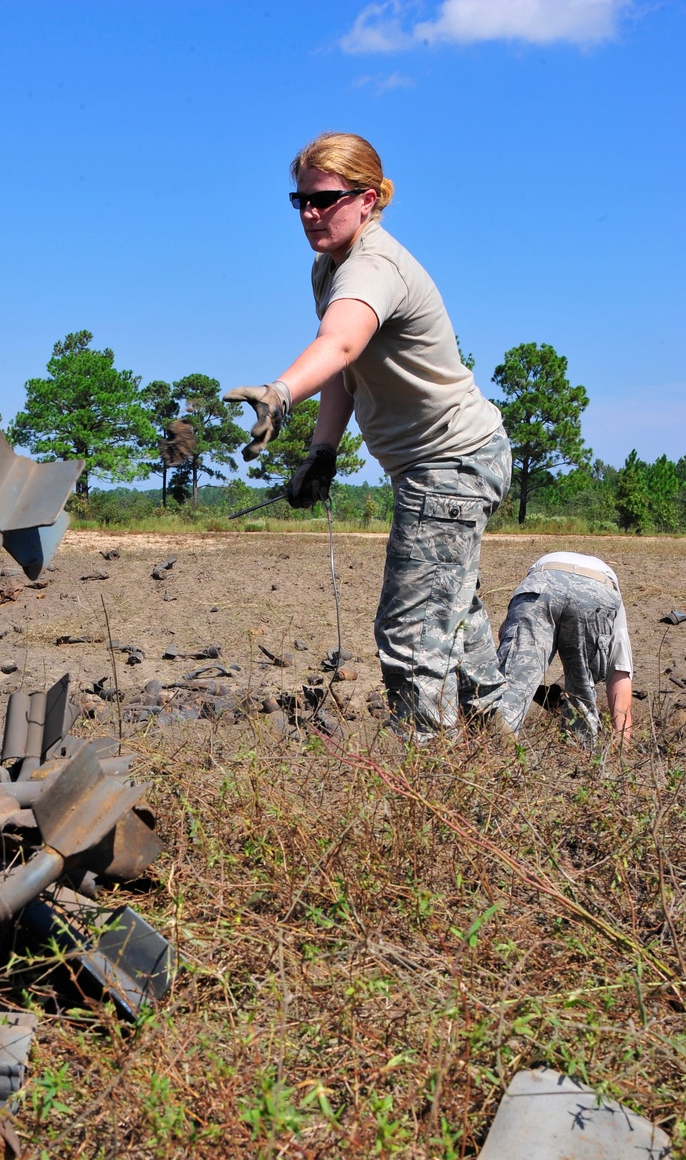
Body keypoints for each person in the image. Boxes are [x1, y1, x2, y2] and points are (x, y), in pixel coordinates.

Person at [226, 132, 511, 738]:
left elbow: (341, 343)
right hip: (442, 461)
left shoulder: (373, 266)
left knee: (411, 630)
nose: (309, 213)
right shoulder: (328, 269)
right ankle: (499, 746)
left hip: (451, 460)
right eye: (300, 200)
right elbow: (345, 371)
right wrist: (321, 452)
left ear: (371, 198)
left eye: (324, 199)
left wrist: (279, 392)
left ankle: (431, 783)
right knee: (454, 613)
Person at [497, 552, 633, 747]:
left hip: (541, 581)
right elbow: (620, 672)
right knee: (582, 689)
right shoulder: (616, 606)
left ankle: (495, 752)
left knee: (511, 687)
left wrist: (521, 672)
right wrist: (623, 744)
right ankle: (580, 756)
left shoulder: (544, 563)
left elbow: (504, 634)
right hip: (595, 593)